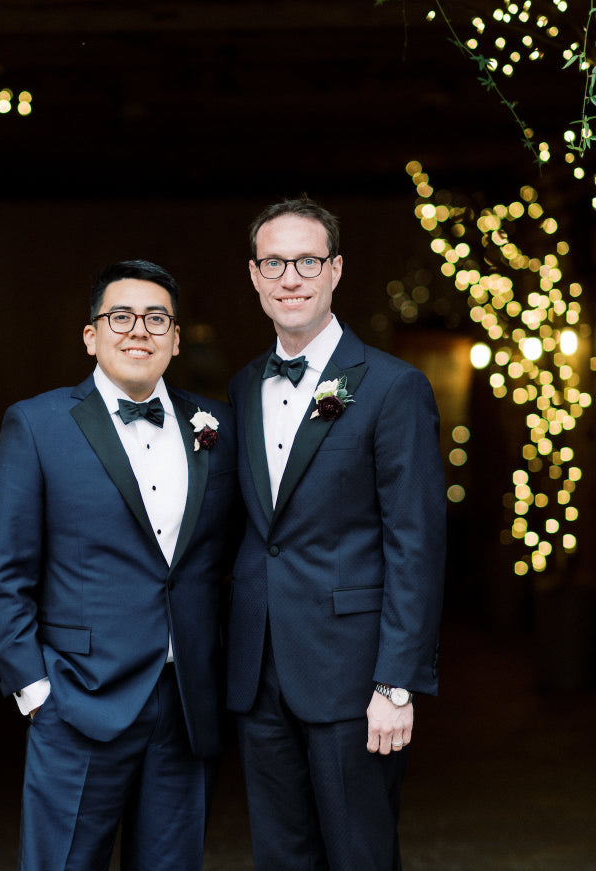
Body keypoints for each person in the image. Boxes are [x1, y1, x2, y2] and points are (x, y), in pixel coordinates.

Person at [0, 259, 239, 871]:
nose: (138, 330)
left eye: (156, 318)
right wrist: (34, 689)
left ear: (176, 338)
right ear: (91, 335)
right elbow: (0, 567)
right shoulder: (37, 424)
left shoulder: (217, 425)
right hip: (77, 698)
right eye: (121, 317)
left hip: (187, 704)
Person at [227, 196, 446, 870]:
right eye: (274, 263)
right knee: (281, 856)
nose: (290, 278)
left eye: (307, 261)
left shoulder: (392, 387)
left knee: (360, 855)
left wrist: (396, 683)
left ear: (336, 270)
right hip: (260, 672)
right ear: (255, 275)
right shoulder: (242, 387)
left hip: (354, 676)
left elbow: (415, 543)